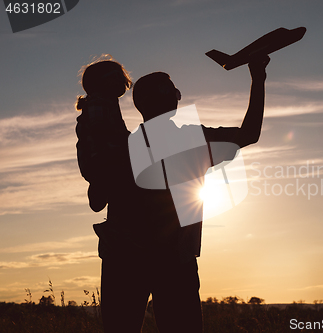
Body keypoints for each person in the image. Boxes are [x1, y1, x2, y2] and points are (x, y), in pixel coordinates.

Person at [80, 55, 269, 332]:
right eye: (172, 90)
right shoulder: (193, 139)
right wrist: (258, 78)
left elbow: (96, 197)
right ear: (172, 99)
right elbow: (250, 133)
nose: (178, 95)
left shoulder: (125, 146)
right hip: (174, 260)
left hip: (123, 257)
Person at [75, 55, 132, 212]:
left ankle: (101, 187)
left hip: (104, 158)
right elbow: (100, 130)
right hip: (103, 158)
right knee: (114, 180)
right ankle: (100, 186)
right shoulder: (99, 102)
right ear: (103, 82)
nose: (123, 81)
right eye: (117, 77)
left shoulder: (107, 101)